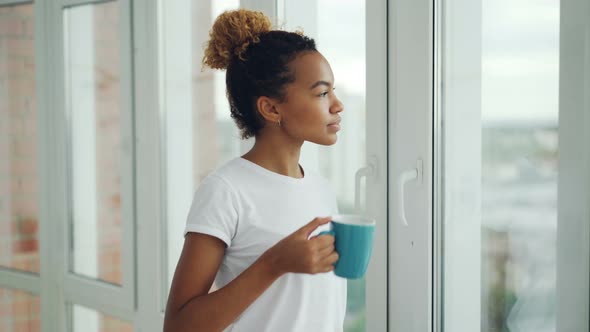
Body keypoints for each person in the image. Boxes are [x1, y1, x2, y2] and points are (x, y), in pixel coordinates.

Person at [163, 9, 345, 332]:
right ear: (271, 108)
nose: (337, 104)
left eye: (333, 91)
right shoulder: (225, 191)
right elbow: (178, 325)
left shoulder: (322, 189)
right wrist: (275, 263)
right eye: (321, 93)